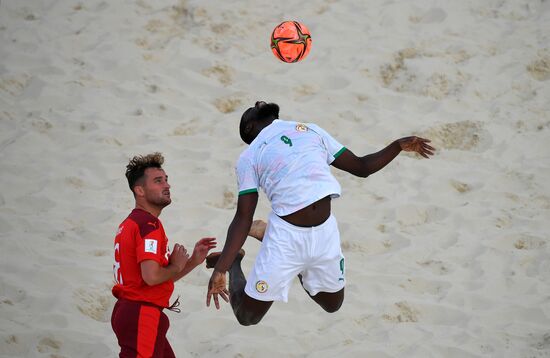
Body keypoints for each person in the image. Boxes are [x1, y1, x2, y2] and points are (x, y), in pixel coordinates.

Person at [205, 101, 435, 326]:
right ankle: (238, 261)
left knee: (332, 304)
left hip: (325, 232)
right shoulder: (249, 157)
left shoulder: (310, 130)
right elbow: (243, 217)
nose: (258, 101)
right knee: (247, 317)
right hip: (285, 239)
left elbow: (361, 167)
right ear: (249, 127)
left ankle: (271, 238)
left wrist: (397, 146)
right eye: (253, 107)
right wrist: (223, 267)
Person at [111, 152, 217, 357]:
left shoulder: (131, 223)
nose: (167, 185)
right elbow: (152, 277)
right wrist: (176, 265)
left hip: (136, 312)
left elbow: (157, 277)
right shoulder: (147, 224)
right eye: (158, 181)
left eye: (166, 180)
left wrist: (193, 261)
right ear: (139, 190)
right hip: (141, 313)